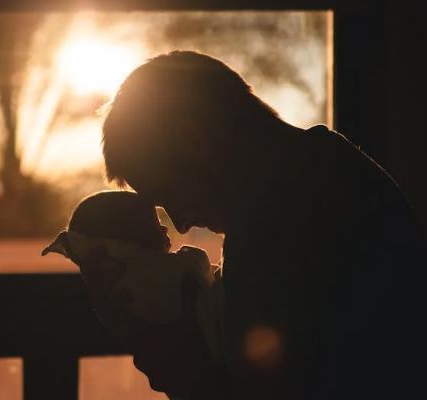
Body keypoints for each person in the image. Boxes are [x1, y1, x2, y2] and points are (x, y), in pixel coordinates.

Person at [98, 51, 427, 399]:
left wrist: (158, 348)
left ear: (194, 140)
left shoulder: (274, 223)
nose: (180, 223)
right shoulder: (331, 170)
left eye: (168, 194)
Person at [42, 190, 225, 399]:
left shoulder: (115, 289)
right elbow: (195, 265)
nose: (166, 227)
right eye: (154, 223)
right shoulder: (148, 274)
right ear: (129, 240)